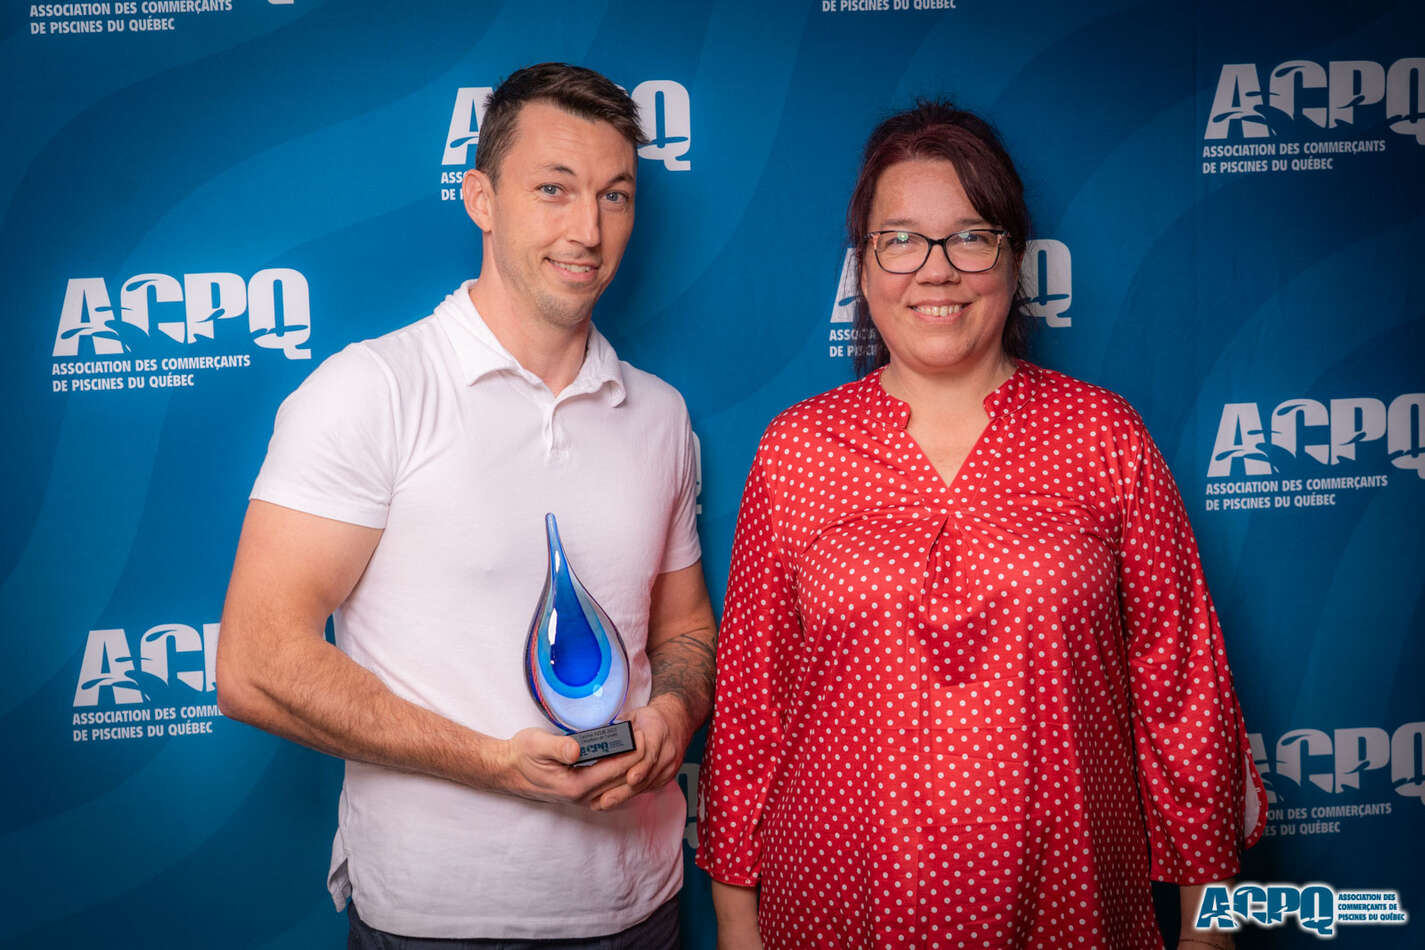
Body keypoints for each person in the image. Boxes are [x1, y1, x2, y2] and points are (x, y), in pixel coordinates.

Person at [695, 101, 1267, 950]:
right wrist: (737, 927)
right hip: (834, 905)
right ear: (863, 266)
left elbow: (1182, 691)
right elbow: (751, 708)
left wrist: (1206, 932)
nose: (936, 271)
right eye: (900, 239)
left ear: (1013, 257)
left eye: (969, 237)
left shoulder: (1103, 436)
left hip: (1072, 902)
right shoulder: (798, 449)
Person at [216, 63, 716, 947]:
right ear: (480, 198)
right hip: (435, 917)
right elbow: (254, 664)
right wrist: (492, 763)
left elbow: (683, 631)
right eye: (553, 189)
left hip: (640, 905)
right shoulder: (373, 390)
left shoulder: (661, 415)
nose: (587, 230)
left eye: (614, 195)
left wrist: (671, 717)